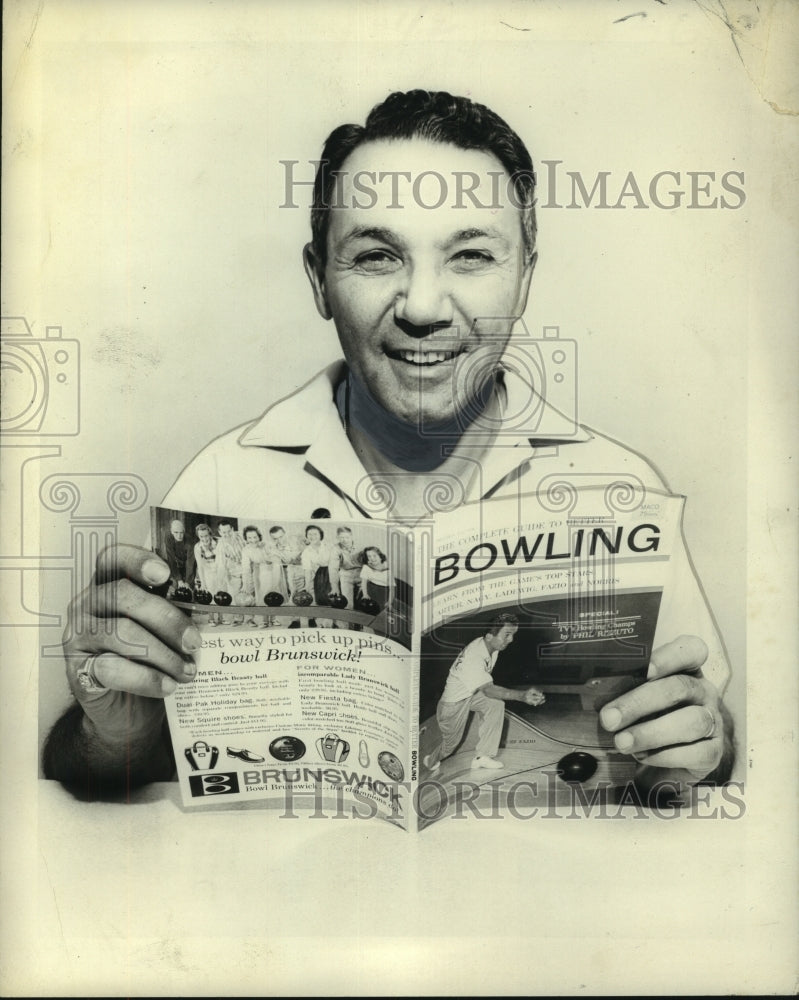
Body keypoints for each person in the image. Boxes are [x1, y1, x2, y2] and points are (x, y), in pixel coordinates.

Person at [44, 89, 734, 797]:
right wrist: (114, 733)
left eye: (469, 256)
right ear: (319, 280)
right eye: (376, 256)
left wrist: (703, 739)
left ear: (524, 276)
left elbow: (700, 758)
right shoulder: (220, 485)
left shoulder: (618, 486)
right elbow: (108, 776)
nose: (423, 308)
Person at [422, 614, 545, 772]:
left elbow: (487, 690)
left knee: (495, 704)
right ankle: (431, 760)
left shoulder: (490, 647)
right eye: (507, 635)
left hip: (471, 694)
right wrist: (522, 696)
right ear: (489, 636)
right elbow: (489, 690)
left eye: (513, 635)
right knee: (450, 746)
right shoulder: (475, 657)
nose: (511, 639)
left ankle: (482, 757)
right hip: (453, 705)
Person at [328, 526, 361, 610]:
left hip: (361, 574)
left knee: (364, 600)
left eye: (347, 537)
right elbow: (333, 568)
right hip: (345, 574)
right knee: (347, 603)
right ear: (337, 538)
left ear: (352, 536)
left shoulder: (361, 546)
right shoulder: (335, 549)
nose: (344, 540)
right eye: (341, 537)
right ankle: (348, 622)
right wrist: (334, 587)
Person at [161, 519, 195, 597]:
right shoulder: (168, 538)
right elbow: (171, 559)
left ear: (184, 531)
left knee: (189, 588)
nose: (179, 536)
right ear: (171, 531)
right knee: (174, 586)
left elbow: (190, 562)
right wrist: (179, 580)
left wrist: (187, 582)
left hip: (187, 563)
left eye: (181, 533)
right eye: (176, 532)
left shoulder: (189, 540)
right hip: (176, 563)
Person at [358, 546, 390, 610]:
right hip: (371, 589)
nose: (372, 558)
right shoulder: (366, 567)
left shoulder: (386, 566)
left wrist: (389, 601)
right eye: (369, 556)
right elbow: (363, 582)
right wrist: (365, 594)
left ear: (380, 556)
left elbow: (391, 587)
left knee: (380, 610)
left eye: (374, 555)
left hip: (383, 591)